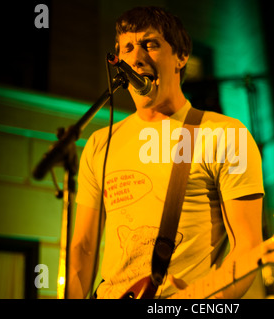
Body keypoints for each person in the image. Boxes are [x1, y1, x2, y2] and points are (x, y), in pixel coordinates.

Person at [68, 6, 264, 299]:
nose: (136, 57)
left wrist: (212, 301)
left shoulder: (225, 135)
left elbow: (247, 246)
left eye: (150, 44)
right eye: (128, 48)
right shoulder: (99, 143)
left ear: (181, 56)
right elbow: (83, 246)